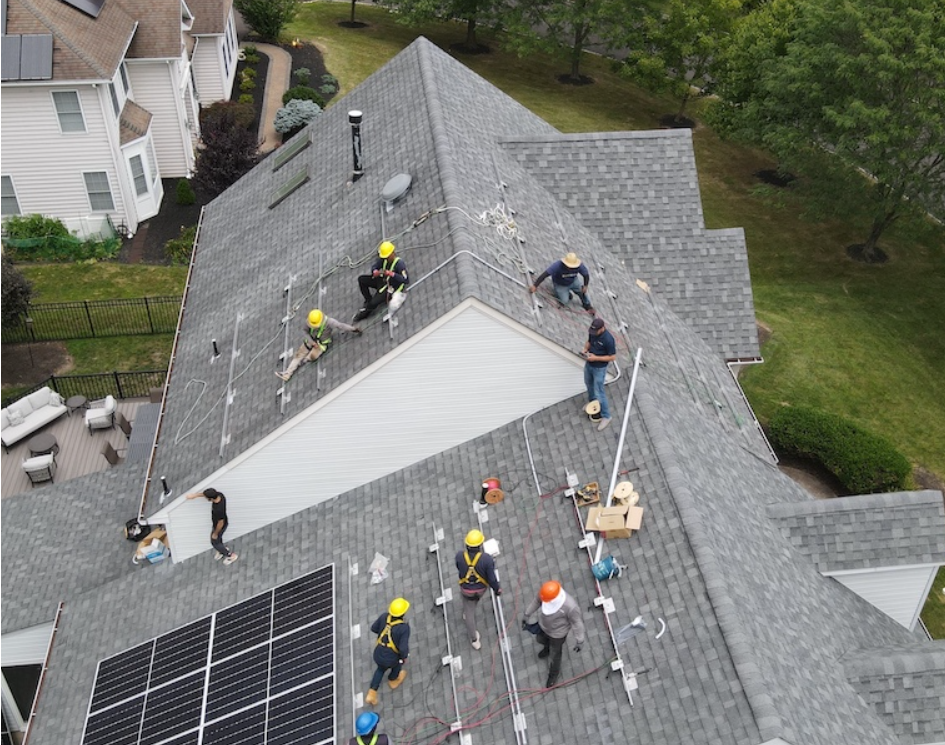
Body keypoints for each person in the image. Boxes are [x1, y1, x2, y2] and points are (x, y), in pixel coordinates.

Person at [523, 581, 585, 689]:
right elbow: (537, 601)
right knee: (540, 639)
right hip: (543, 626)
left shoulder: (570, 607)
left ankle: (553, 674)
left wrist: (580, 640)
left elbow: (577, 623)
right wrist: (527, 614)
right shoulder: (545, 593)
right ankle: (547, 648)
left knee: (555, 655)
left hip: (557, 635)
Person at [276, 308, 361, 381]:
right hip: (311, 341)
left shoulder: (330, 322)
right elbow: (304, 331)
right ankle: (287, 374)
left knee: (310, 358)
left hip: (321, 344)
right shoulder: (310, 321)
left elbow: (341, 326)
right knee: (298, 356)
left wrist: (353, 329)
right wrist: (312, 342)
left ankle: (305, 360)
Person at [455, 529, 502, 650]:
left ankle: (474, 639)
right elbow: (491, 579)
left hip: (465, 589)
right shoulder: (486, 559)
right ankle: (474, 638)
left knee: (468, 611)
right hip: (480, 590)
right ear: (480, 545)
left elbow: (459, 568)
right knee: (471, 611)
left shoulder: (460, 556)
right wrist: (497, 590)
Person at [365, 597, 410, 706]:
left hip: (378, 653)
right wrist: (404, 657)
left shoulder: (384, 617)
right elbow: (403, 648)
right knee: (398, 665)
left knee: (380, 670)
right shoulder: (404, 628)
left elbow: (373, 628)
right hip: (391, 658)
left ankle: (372, 692)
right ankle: (393, 680)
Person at [354, 241, 408, 322]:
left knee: (373, 303)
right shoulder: (384, 259)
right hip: (382, 280)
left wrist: (392, 274)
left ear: (392, 254)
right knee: (362, 280)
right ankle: (368, 299)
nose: (385, 258)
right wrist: (374, 271)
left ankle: (365, 313)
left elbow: (405, 280)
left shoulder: (399, 264)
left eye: (387, 257)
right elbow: (375, 266)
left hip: (391, 287)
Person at [185, 488, 238, 564]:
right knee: (218, 540)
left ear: (211, 499)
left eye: (207, 498)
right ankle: (221, 550)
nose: (205, 498)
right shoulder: (220, 495)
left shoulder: (218, 509)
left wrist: (215, 533)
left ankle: (230, 555)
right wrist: (195, 495)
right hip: (218, 524)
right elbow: (207, 494)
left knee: (214, 542)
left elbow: (221, 522)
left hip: (219, 526)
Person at [529, 252, 594, 314]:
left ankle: (587, 305)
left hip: (573, 281)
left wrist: (585, 286)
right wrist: (535, 286)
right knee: (564, 302)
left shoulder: (580, 266)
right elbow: (545, 274)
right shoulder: (558, 265)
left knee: (582, 291)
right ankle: (564, 294)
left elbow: (586, 275)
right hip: (560, 284)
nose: (571, 268)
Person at [583, 317, 616, 431]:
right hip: (589, 365)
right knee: (588, 384)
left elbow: (612, 357)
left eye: (596, 331)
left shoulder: (608, 339)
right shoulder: (593, 333)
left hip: (599, 369)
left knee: (599, 392)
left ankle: (606, 416)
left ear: (602, 328)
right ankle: (592, 403)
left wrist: (596, 358)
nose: (594, 333)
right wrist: (585, 349)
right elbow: (589, 342)